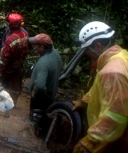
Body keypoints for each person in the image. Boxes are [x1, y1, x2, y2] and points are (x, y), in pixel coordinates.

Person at [72, 21, 128, 153]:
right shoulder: (120, 57)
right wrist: (85, 100)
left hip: (114, 141)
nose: (86, 53)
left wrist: (90, 141)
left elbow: (116, 116)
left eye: (86, 49)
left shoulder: (113, 72)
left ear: (97, 46)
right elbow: (106, 89)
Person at [28, 33, 62, 134]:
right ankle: (43, 133)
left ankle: (34, 138)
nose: (34, 47)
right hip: (51, 94)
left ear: (42, 47)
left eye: (36, 45)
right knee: (45, 116)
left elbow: (40, 86)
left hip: (40, 99)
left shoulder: (43, 63)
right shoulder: (55, 53)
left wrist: (35, 94)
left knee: (34, 121)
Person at [0, 13, 29, 104]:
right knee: (16, 84)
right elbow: (27, 50)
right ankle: (13, 102)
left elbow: (4, 59)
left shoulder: (11, 39)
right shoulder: (25, 33)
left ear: (10, 24)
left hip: (9, 65)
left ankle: (0, 100)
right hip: (19, 64)